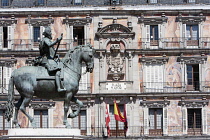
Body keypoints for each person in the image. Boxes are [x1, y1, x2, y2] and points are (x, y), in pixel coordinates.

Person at [39, 26, 66, 93]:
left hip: (49, 58)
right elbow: (49, 45)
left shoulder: (47, 40)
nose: (51, 33)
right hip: (46, 59)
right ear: (47, 33)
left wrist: (55, 55)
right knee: (57, 70)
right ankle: (59, 88)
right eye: (50, 32)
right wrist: (57, 40)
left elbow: (51, 51)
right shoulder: (45, 40)